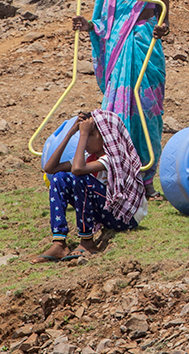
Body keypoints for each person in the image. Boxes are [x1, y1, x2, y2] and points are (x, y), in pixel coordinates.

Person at [72, 0, 171, 197]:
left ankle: (146, 178)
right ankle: (118, 175)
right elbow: (101, 20)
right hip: (117, 50)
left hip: (145, 48)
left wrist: (162, 29)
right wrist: (88, 25)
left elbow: (164, 19)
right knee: (116, 114)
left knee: (147, 112)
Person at [34, 110, 148, 263]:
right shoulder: (90, 158)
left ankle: (87, 241)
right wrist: (70, 133)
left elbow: (77, 170)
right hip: (107, 211)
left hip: (124, 218)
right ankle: (59, 242)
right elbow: (50, 168)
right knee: (59, 178)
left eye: (89, 136)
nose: (85, 141)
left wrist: (83, 134)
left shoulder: (112, 158)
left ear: (104, 136)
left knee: (79, 178)